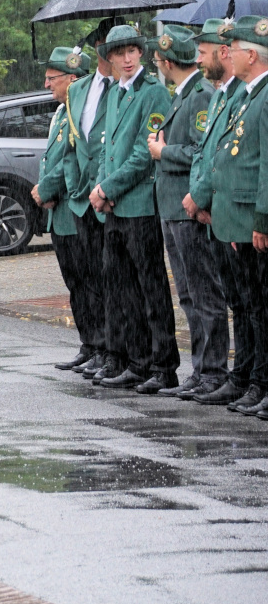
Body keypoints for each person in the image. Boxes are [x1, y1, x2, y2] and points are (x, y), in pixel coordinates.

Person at [86, 24, 177, 392]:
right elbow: (107, 150)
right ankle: (136, 361)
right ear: (109, 57)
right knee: (122, 289)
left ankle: (164, 365)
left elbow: (143, 154)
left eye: (132, 51)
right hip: (115, 207)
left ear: (141, 52)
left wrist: (108, 187)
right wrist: (101, 190)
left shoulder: (153, 92)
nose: (126, 59)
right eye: (119, 53)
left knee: (151, 288)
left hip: (139, 204)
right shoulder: (114, 94)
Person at [146, 25, 223, 396]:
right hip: (172, 207)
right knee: (190, 295)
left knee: (204, 294)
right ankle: (201, 370)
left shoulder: (200, 95)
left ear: (166, 62)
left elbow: (200, 151)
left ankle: (213, 372)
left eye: (157, 60)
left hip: (187, 206)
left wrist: (164, 153)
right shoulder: (183, 94)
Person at [186, 19, 255, 407]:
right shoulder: (220, 96)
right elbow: (204, 152)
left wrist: (202, 197)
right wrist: (200, 197)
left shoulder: (244, 94)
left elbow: (228, 160)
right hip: (216, 211)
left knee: (248, 303)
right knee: (238, 301)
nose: (198, 60)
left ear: (224, 52)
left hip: (233, 213)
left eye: (203, 52)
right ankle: (243, 376)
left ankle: (250, 378)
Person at [207, 15, 268, 418]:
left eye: (237, 49)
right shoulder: (247, 94)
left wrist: (262, 219)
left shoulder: (264, 96)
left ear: (252, 54)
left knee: (261, 307)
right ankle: (254, 380)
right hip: (239, 218)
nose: (230, 55)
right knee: (250, 306)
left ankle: (262, 382)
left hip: (254, 220)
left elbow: (266, 164)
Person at [31, 46, 103, 370]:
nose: (46, 84)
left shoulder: (82, 111)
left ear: (72, 78)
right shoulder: (62, 111)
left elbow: (72, 160)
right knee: (75, 284)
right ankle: (88, 344)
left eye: (52, 78)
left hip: (75, 209)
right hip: (59, 213)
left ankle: (102, 346)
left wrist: (46, 188)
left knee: (90, 283)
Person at [61, 31, 117, 380]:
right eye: (112, 47)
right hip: (84, 199)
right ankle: (99, 347)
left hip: (111, 197)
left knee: (116, 282)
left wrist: (104, 185)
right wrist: (76, 187)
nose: (120, 54)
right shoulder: (79, 89)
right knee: (91, 279)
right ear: (98, 48)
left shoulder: (125, 88)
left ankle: (117, 351)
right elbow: (72, 146)